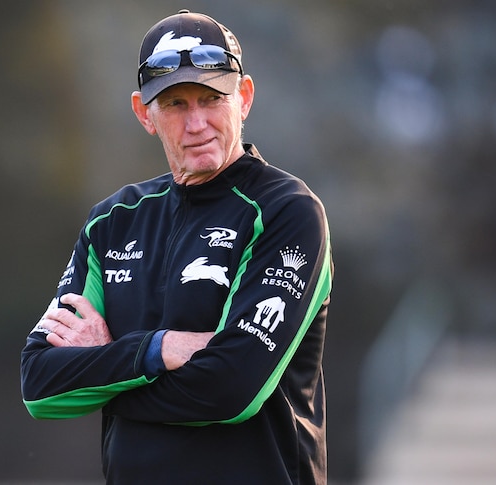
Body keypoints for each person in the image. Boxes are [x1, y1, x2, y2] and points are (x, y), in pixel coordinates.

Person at [20, 9, 333, 485]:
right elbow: (40, 383)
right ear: (144, 113)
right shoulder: (112, 221)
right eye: (175, 104)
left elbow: (232, 387)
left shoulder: (286, 212)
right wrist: (156, 350)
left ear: (244, 98)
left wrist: (105, 377)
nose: (197, 123)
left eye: (212, 98)